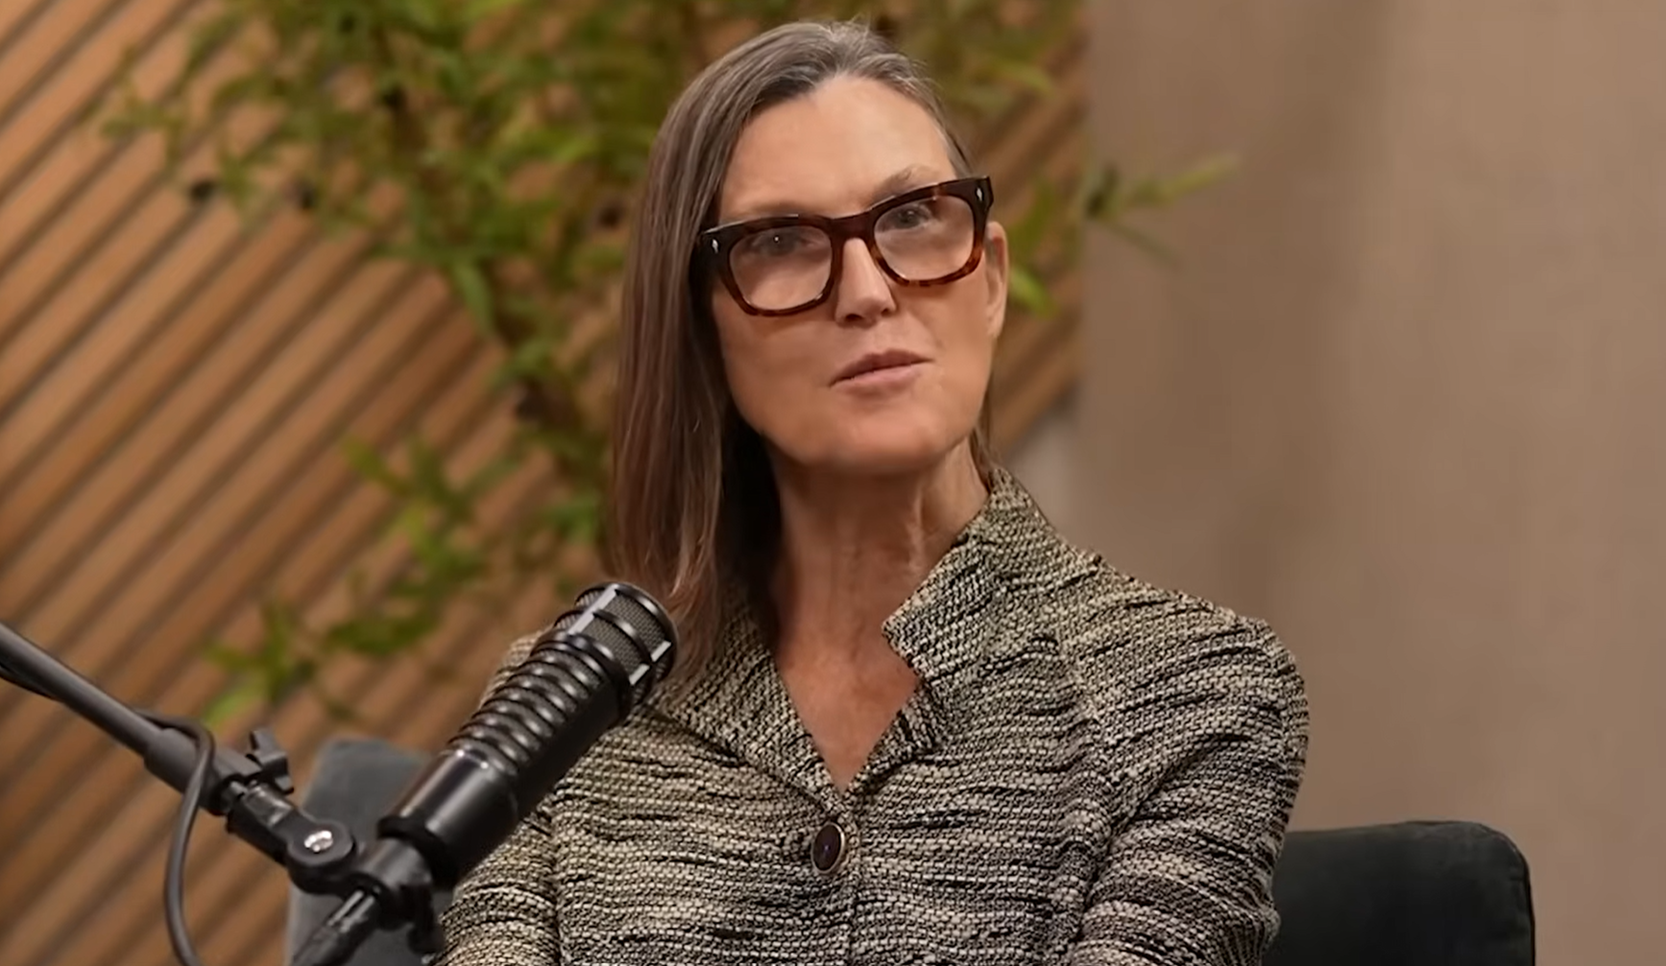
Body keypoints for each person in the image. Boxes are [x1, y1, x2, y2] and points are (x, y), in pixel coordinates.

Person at [436, 18, 1308, 966]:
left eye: (912, 218)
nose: (867, 290)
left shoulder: (1192, 693)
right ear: (702, 331)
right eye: (781, 241)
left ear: (991, 282)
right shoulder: (568, 706)